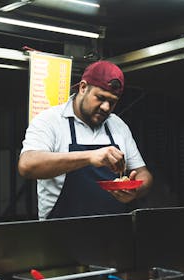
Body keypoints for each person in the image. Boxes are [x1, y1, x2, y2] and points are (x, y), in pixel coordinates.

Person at [18, 60, 153, 219]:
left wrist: (135, 191)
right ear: (83, 87)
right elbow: (27, 165)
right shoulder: (50, 120)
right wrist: (89, 156)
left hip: (113, 233)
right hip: (60, 233)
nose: (106, 107)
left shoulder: (118, 125)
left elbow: (145, 175)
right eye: (100, 98)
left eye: (112, 102)